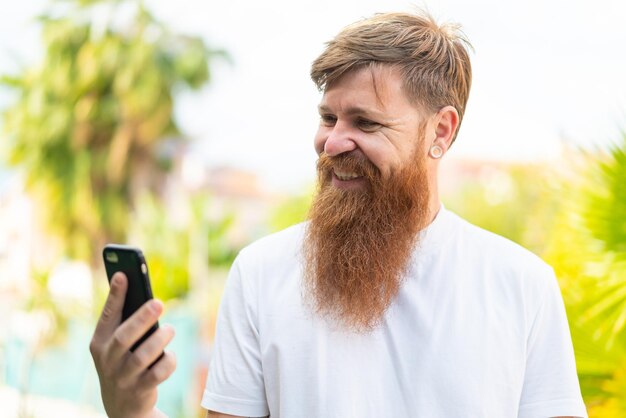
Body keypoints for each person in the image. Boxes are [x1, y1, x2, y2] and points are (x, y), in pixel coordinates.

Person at [90, 10, 588, 418]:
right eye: (328, 117)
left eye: (365, 122)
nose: (332, 142)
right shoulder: (261, 272)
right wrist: (130, 409)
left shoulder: (522, 285)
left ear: (440, 132)